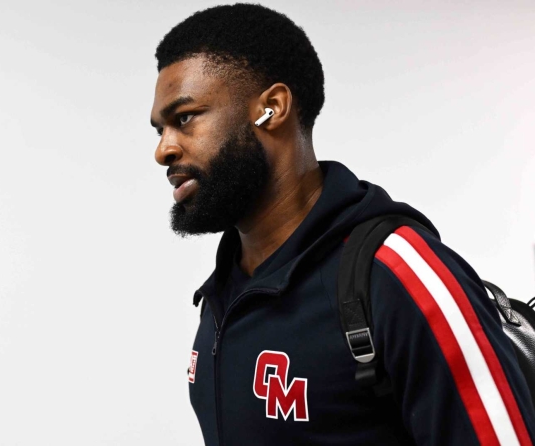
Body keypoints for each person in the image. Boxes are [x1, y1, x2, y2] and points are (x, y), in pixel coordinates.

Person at [149, 3, 535, 445]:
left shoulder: (399, 275)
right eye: (160, 130)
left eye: (184, 118)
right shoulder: (222, 297)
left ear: (271, 109)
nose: (163, 150)